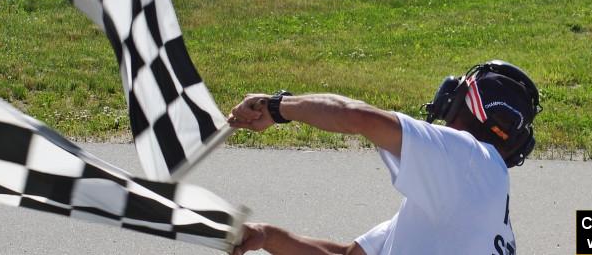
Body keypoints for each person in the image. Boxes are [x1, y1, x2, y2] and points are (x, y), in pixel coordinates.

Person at [227, 59, 541, 255]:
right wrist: (267, 236)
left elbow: (358, 117)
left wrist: (277, 107)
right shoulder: (464, 203)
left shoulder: (469, 158)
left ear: (458, 102)